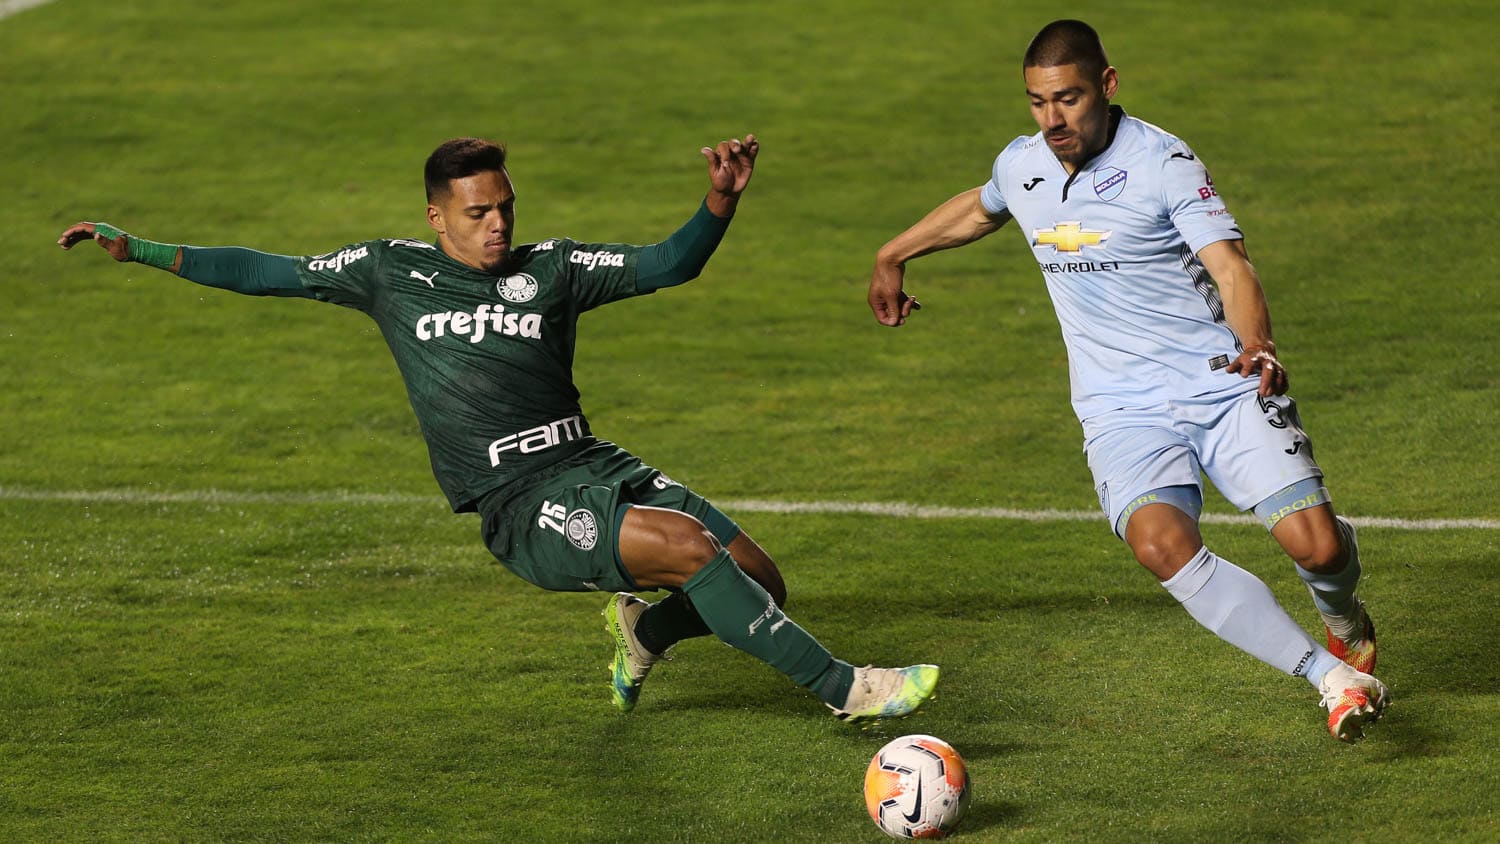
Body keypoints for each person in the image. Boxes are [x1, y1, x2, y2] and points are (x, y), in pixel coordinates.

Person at [58, 134, 938, 722]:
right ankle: (846, 689)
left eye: (505, 207)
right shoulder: (386, 274)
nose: (498, 225)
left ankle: (646, 634)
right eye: (478, 213)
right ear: (437, 217)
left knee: (760, 580)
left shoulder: (551, 270)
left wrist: (718, 201)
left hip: (591, 462)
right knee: (688, 548)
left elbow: (671, 265)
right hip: (518, 504)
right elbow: (265, 270)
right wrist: (140, 248)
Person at [867, 20, 1387, 741]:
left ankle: (1341, 615)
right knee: (1160, 546)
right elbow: (984, 205)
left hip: (1217, 380)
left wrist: (1258, 343)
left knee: (1320, 550)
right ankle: (1329, 677)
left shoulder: (1162, 160)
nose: (1054, 120)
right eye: (1038, 102)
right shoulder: (1024, 165)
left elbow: (1230, 265)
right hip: (1119, 408)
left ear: (1107, 86)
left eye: (1069, 99)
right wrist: (894, 253)